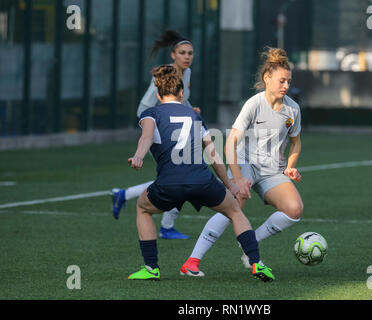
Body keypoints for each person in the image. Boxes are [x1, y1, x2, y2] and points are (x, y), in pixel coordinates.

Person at [126, 65, 274, 282]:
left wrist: (139, 155)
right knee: (234, 211)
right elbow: (213, 157)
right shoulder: (194, 116)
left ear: (158, 95)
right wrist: (230, 185)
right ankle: (256, 263)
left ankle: (151, 268)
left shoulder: (152, 113)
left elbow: (146, 138)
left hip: (170, 183)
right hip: (202, 180)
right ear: (182, 93)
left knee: (142, 208)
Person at [180, 47, 303, 276]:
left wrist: (290, 166)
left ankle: (250, 242)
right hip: (246, 164)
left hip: (272, 171)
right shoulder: (254, 104)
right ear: (267, 78)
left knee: (294, 209)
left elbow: (295, 142)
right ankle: (192, 262)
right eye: (282, 81)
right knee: (234, 203)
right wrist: (237, 179)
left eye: (288, 81)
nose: (286, 86)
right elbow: (230, 142)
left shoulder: (292, 109)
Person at [112, 30, 199, 240]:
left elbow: (177, 99)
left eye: (190, 53)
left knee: (178, 176)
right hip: (155, 127)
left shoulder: (187, 73)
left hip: (172, 128)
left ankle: (124, 195)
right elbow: (149, 106)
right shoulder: (164, 75)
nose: (187, 57)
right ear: (173, 55)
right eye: (182, 53)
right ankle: (166, 227)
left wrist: (189, 108)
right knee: (179, 176)